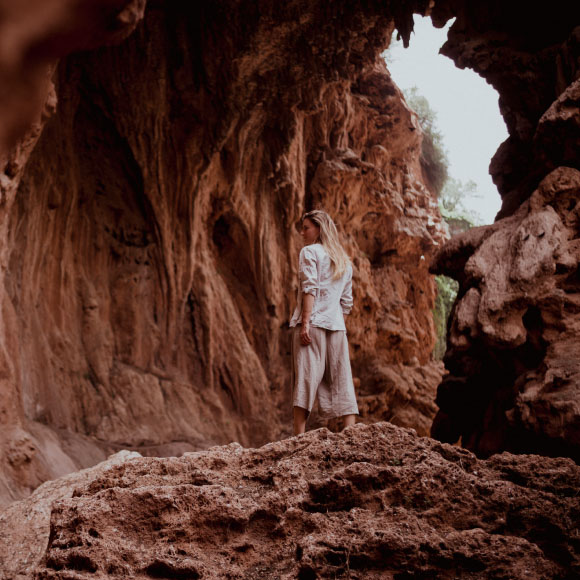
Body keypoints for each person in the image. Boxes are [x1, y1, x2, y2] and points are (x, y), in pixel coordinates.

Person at [289, 209, 359, 435]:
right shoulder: (344, 261)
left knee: (305, 377)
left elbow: (309, 289)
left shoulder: (309, 252)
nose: (302, 232)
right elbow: (347, 302)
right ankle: (351, 433)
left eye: (306, 227)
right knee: (341, 377)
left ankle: (298, 436)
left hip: (314, 324)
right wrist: (335, 321)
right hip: (337, 327)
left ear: (319, 229)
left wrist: (306, 322)